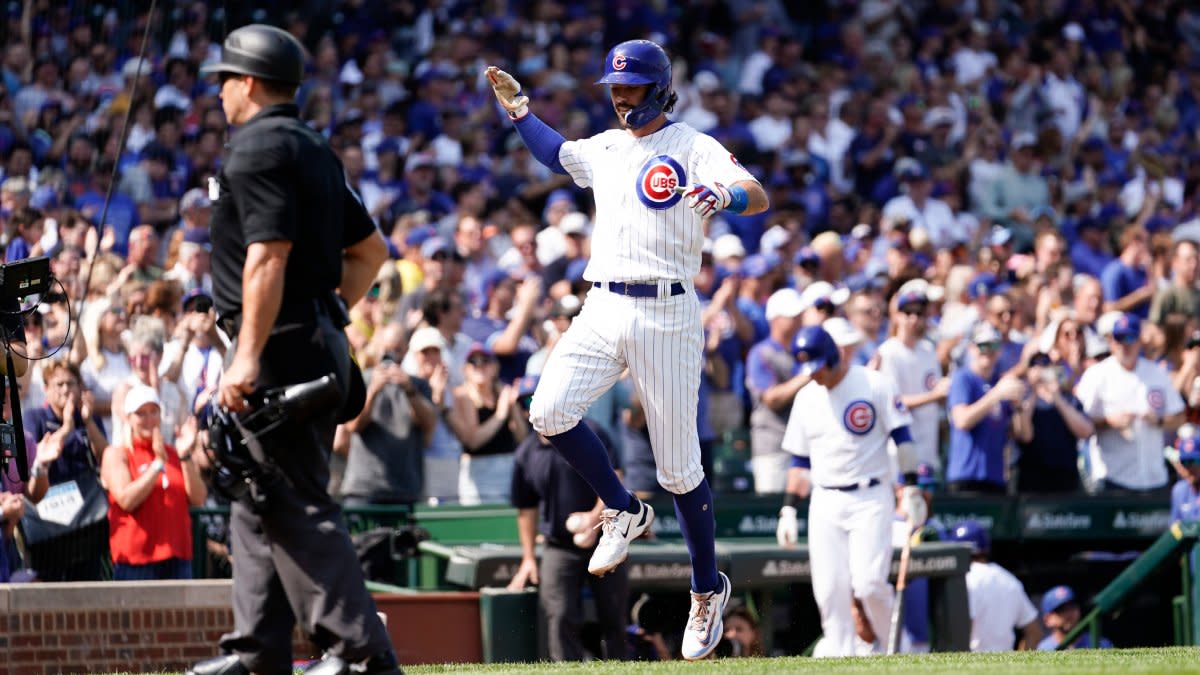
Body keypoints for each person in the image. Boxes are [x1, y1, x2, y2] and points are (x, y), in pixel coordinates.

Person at [487, 39, 770, 660]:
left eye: (632, 87)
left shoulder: (692, 145)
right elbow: (556, 155)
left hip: (668, 309)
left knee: (677, 467)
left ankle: (706, 588)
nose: (621, 97)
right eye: (615, 87)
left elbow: (756, 191)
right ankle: (621, 508)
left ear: (661, 88)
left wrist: (725, 197)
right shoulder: (608, 146)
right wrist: (519, 113)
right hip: (603, 301)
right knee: (548, 410)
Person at [187, 24, 398, 675]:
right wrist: (327, 313)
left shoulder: (256, 149)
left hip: (278, 350)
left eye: (224, 80)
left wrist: (248, 353)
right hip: (313, 339)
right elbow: (370, 252)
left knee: (293, 497)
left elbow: (267, 256)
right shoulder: (313, 147)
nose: (219, 92)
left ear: (248, 82)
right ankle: (256, 651)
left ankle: (360, 651)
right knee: (258, 495)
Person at [775, 326, 926, 657]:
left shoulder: (874, 384)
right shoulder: (806, 397)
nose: (814, 376)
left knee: (869, 583)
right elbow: (800, 462)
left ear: (833, 357)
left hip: (870, 494)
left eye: (818, 368)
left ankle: (897, 648)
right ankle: (842, 655)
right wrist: (788, 509)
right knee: (829, 590)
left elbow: (903, 438)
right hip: (825, 498)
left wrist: (912, 487)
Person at [507, 375, 629, 662]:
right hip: (558, 545)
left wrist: (592, 519)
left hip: (606, 539)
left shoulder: (590, 433)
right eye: (527, 401)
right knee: (560, 615)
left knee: (613, 616)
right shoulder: (526, 454)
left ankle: (622, 667)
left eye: (538, 397)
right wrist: (527, 557)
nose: (533, 406)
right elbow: (526, 509)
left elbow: (616, 480)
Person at [100, 384, 206, 580]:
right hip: (136, 560)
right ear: (128, 418)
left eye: (153, 412)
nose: (149, 419)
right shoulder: (117, 454)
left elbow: (198, 498)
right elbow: (126, 499)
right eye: (141, 414)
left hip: (177, 556)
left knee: (179, 612)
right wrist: (157, 464)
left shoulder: (173, 453)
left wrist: (184, 456)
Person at [1075, 313, 1186, 493]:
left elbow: (1179, 416)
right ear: (1111, 341)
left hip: (1153, 477)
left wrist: (1158, 421)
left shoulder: (1156, 374)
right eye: (1120, 338)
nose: (1125, 344)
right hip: (1113, 478)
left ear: (1139, 341)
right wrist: (1109, 422)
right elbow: (1079, 421)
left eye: (1130, 337)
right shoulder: (1097, 375)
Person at [946, 323, 1025, 494]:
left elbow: (1020, 433)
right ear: (971, 348)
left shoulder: (1001, 382)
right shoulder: (963, 378)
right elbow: (962, 420)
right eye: (982, 345)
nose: (988, 351)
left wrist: (1019, 406)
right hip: (966, 475)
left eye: (994, 345)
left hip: (995, 477)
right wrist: (996, 394)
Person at [947, 520, 1043, 651]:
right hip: (1004, 665)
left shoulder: (965, 580)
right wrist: (1020, 664)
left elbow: (961, 633)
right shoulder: (1010, 580)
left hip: (972, 664)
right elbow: (1034, 633)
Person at [1011, 352, 1094, 493]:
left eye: (1045, 366)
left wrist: (1056, 395)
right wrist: (1033, 391)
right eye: (1035, 367)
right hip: (1031, 482)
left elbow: (1086, 431)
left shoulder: (1068, 399)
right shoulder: (1023, 400)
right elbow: (1025, 435)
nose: (1041, 371)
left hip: (1066, 481)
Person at [1037, 585, 1113, 650]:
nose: (1069, 613)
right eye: (1061, 609)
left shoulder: (1101, 644)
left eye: (1072, 606)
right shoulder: (1043, 649)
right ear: (1047, 620)